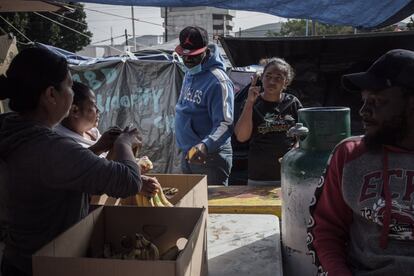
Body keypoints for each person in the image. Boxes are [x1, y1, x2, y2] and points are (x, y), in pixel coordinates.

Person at [0, 47, 159, 276]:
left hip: (18, 260)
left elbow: (56, 176)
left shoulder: (11, 129)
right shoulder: (49, 148)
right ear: (51, 95)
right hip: (46, 266)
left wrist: (96, 149)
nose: (73, 94)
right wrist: (124, 143)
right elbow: (129, 182)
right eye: (69, 86)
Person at [307, 49, 414, 276]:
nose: (363, 111)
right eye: (364, 101)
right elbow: (326, 230)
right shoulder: (349, 154)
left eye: (376, 101)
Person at [174, 26, 234, 186]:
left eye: (193, 56)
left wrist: (205, 145)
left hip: (209, 157)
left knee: (210, 207)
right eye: (183, 56)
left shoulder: (218, 81)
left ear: (205, 51)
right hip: (189, 152)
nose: (187, 60)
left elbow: (225, 123)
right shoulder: (190, 71)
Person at [234, 58, 302, 186]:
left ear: (286, 82)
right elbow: (242, 137)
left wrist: (294, 151)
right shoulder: (252, 103)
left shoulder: (292, 103)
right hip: (259, 176)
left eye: (278, 77)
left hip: (289, 174)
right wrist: (249, 102)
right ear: (262, 78)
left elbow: (304, 135)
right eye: (268, 76)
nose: (272, 81)